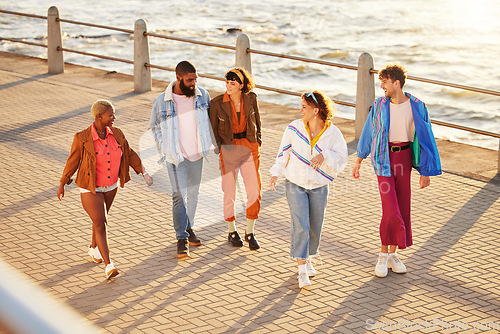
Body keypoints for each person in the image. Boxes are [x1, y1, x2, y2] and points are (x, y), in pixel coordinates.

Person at [352, 64, 441, 278]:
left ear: (397, 83)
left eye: (385, 82)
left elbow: (426, 140)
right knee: (390, 209)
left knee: (402, 207)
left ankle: (393, 255)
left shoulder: (418, 106)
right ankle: (382, 255)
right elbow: (368, 132)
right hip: (383, 158)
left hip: (404, 157)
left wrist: (425, 171)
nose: (381, 86)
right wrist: (358, 160)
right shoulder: (380, 105)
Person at [57, 99, 153, 279]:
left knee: (98, 220)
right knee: (101, 222)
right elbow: (73, 160)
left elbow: (129, 152)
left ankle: (94, 249)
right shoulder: (82, 137)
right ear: (99, 117)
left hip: (110, 186)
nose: (114, 118)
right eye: (111, 115)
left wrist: (143, 172)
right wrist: (63, 182)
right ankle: (109, 265)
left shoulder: (116, 133)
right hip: (90, 187)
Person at [270, 91, 348, 288]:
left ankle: (309, 258)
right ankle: (301, 270)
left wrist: (325, 155)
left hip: (319, 186)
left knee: (315, 226)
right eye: (301, 106)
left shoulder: (332, 132)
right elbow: (284, 151)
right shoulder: (294, 128)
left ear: (316, 110)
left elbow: (342, 157)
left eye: (304, 106)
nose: (300, 110)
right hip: (295, 183)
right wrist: (275, 172)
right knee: (301, 225)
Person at [148, 61, 213, 258]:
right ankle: (181, 238)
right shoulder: (162, 102)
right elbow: (154, 127)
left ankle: (189, 227)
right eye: (189, 80)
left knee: (194, 194)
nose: (193, 83)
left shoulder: (202, 96)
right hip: (175, 157)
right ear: (178, 78)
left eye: (195, 79)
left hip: (197, 155)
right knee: (179, 197)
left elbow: (210, 121)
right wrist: (164, 149)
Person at [209, 68, 262, 250]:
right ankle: (232, 230)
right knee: (229, 190)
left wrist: (258, 141)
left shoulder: (251, 98)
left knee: (254, 190)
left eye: (233, 83)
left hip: (249, 147)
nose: (229, 86)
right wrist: (220, 149)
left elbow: (258, 121)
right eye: (227, 82)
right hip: (229, 149)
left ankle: (250, 232)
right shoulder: (217, 103)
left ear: (241, 85)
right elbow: (213, 129)